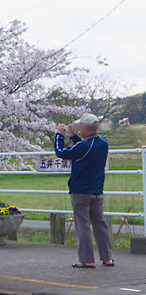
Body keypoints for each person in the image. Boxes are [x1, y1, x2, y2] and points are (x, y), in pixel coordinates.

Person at [55, 113, 114, 268]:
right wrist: (74, 136)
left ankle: (87, 260)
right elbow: (84, 148)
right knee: (100, 224)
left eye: (80, 126)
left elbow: (61, 152)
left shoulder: (84, 146)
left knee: (83, 226)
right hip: (97, 190)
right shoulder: (103, 142)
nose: (79, 128)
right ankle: (107, 258)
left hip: (81, 191)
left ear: (86, 127)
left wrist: (59, 135)